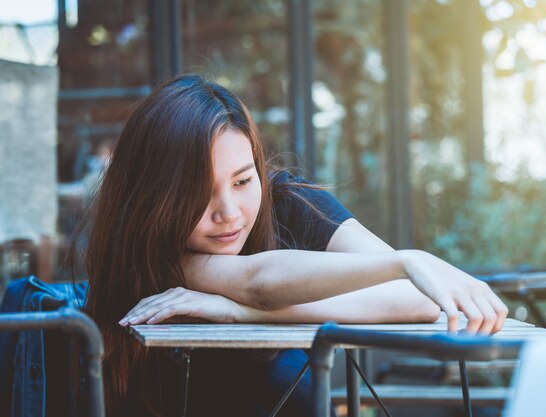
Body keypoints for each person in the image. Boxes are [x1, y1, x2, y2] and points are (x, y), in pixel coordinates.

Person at [83, 74, 508, 417]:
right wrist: (402, 262)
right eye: (198, 192)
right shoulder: (154, 246)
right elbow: (257, 283)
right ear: (157, 195)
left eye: (243, 180)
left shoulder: (288, 200)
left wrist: (242, 314)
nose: (228, 212)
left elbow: (415, 299)